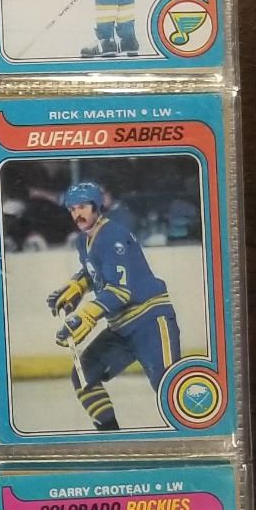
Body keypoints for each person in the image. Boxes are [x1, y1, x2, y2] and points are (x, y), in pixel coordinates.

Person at [46, 180, 181, 432]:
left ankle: (191, 437)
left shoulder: (113, 235)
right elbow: (95, 272)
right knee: (84, 376)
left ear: (97, 206)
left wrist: (86, 315)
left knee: (171, 388)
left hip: (149, 321)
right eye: (72, 209)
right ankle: (110, 437)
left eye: (82, 206)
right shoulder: (83, 241)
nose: (77, 214)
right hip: (121, 327)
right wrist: (76, 287)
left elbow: (121, 290)